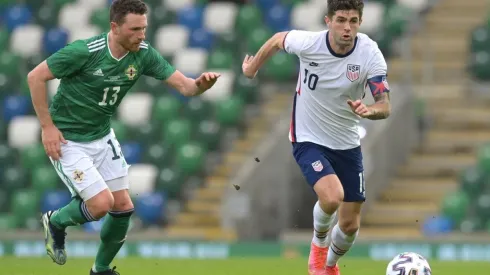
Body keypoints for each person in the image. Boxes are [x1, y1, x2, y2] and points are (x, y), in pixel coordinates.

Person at [26, 0, 220, 274]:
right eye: (135, 29)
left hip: (102, 136)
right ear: (114, 27)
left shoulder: (143, 53)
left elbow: (186, 87)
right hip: (68, 141)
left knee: (123, 207)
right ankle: (56, 222)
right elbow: (35, 77)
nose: (142, 35)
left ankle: (101, 269)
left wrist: (201, 85)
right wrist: (47, 127)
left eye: (144, 28)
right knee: (102, 205)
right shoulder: (84, 51)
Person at [241, 0, 391, 274]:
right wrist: (253, 68)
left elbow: (385, 105)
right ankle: (318, 244)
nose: (347, 28)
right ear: (328, 21)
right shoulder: (308, 43)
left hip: (347, 143)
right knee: (332, 197)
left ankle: (330, 266)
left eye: (353, 21)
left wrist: (369, 110)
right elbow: (277, 40)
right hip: (307, 137)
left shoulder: (370, 53)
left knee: (349, 226)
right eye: (341, 20)